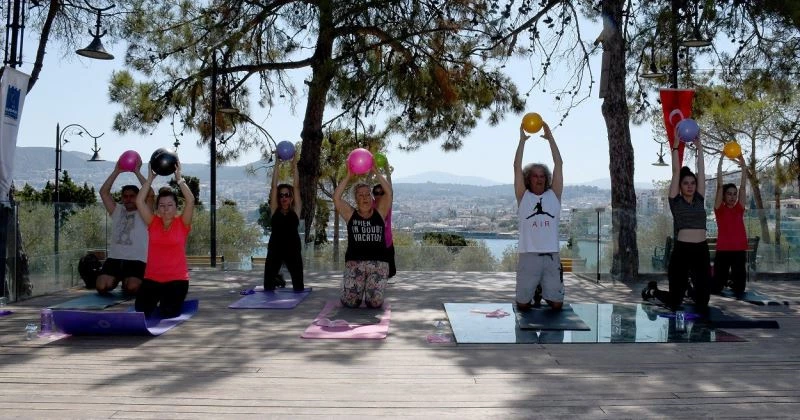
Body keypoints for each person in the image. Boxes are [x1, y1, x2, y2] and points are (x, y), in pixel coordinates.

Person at [642, 128, 710, 314]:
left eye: (692, 183)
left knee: (703, 302)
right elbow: (675, 172)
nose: (690, 186)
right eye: (686, 183)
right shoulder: (676, 201)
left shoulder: (700, 199)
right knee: (674, 301)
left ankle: (690, 290)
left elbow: (702, 172)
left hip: (701, 250)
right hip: (682, 251)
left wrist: (700, 147)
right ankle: (652, 290)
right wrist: (675, 145)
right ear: (680, 186)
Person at [513, 120, 564, 312]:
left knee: (557, 305)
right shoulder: (523, 197)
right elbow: (516, 166)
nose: (539, 179)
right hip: (529, 256)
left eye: (542, 176)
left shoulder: (554, 195)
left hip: (551, 256)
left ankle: (543, 290)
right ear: (529, 178)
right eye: (535, 176)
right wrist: (522, 141)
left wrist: (550, 139)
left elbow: (559, 164)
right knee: (523, 305)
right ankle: (534, 291)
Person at [134, 160, 195, 318]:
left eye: (169, 205)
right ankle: (157, 300)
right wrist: (149, 180)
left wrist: (179, 178)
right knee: (141, 312)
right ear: (157, 209)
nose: (166, 209)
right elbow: (139, 201)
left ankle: (168, 302)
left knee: (167, 313)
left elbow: (191, 200)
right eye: (162, 205)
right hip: (152, 279)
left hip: (176, 280)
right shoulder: (152, 222)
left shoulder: (182, 223)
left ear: (176, 207)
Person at [333, 164, 392, 308]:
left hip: (378, 263)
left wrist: (376, 172)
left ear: (371, 198)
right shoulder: (350, 215)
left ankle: (371, 290)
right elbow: (336, 198)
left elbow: (389, 193)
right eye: (360, 195)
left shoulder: (380, 214)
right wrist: (348, 175)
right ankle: (353, 292)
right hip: (355, 262)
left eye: (367, 194)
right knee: (351, 303)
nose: (365, 198)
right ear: (356, 199)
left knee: (374, 303)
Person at [95, 159, 154, 296]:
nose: (128, 199)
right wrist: (117, 171)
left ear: (138, 197)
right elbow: (104, 193)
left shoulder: (144, 212)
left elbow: (150, 194)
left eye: (132, 196)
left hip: (137, 261)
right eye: (125, 196)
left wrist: (137, 172)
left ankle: (135, 281)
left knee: (132, 288)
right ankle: (119, 279)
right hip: (115, 259)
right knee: (101, 286)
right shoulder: (117, 211)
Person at [263, 154, 304, 291]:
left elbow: (296, 186)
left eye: (287, 195)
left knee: (298, 284)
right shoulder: (274, 210)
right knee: (268, 284)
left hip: (293, 249)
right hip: (275, 248)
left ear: (291, 198)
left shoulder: (296, 211)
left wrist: (294, 165)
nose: (284, 198)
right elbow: (274, 186)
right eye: (281, 195)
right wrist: (276, 164)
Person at [713, 153, 748, 296]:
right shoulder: (719, 210)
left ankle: (732, 281)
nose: (733, 197)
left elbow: (744, 186)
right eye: (729, 194)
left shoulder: (739, 208)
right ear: (724, 196)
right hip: (723, 250)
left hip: (739, 250)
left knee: (740, 289)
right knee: (716, 288)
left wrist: (743, 164)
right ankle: (726, 280)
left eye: (734, 194)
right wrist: (721, 161)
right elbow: (720, 186)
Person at [372, 171, 395, 279]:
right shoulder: (369, 205)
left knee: (390, 272)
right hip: (374, 244)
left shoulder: (387, 205)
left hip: (387, 242)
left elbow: (389, 191)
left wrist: (376, 172)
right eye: (376, 193)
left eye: (381, 193)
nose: (379, 195)